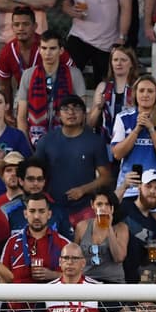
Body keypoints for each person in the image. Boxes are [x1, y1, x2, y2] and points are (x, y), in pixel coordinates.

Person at [34, 95, 112, 223]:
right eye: (66, 109)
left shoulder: (95, 141)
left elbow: (106, 177)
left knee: (89, 242)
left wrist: (83, 190)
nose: (71, 112)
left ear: (84, 114)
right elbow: (34, 173)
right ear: (58, 115)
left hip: (85, 208)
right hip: (52, 208)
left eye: (76, 108)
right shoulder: (46, 141)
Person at [62, 0, 134, 85]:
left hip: (107, 41)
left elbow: (126, 7)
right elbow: (65, 3)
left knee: (103, 87)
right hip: (79, 35)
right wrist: (72, 11)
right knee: (66, 80)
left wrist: (122, 36)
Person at [112, 75, 156, 199]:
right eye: (141, 90)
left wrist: (151, 129)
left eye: (150, 91)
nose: (145, 94)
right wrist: (136, 130)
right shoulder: (123, 117)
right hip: (130, 187)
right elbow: (117, 154)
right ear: (135, 93)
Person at [17, 32, 87, 148]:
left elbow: (81, 114)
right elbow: (21, 117)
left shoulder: (74, 74)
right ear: (39, 50)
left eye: (53, 48)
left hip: (67, 140)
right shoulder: (28, 74)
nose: (48, 53)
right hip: (35, 141)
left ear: (61, 51)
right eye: (44, 48)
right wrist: (26, 146)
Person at [90, 45, 141, 152]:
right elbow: (90, 124)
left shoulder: (139, 87)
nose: (119, 63)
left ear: (131, 63)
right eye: (115, 60)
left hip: (132, 143)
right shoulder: (102, 87)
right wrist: (98, 108)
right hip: (105, 145)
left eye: (123, 60)